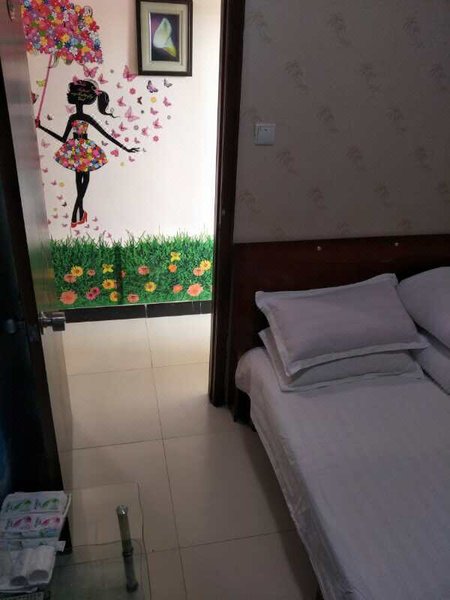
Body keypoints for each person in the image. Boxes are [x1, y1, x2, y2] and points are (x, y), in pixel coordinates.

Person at [36, 79, 139, 228]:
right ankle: (77, 215)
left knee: (80, 183)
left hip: (77, 151)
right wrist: (41, 127)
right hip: (83, 151)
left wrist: (125, 148)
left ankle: (76, 215)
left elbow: (65, 138)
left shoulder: (75, 118)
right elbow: (67, 138)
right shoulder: (82, 118)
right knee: (83, 182)